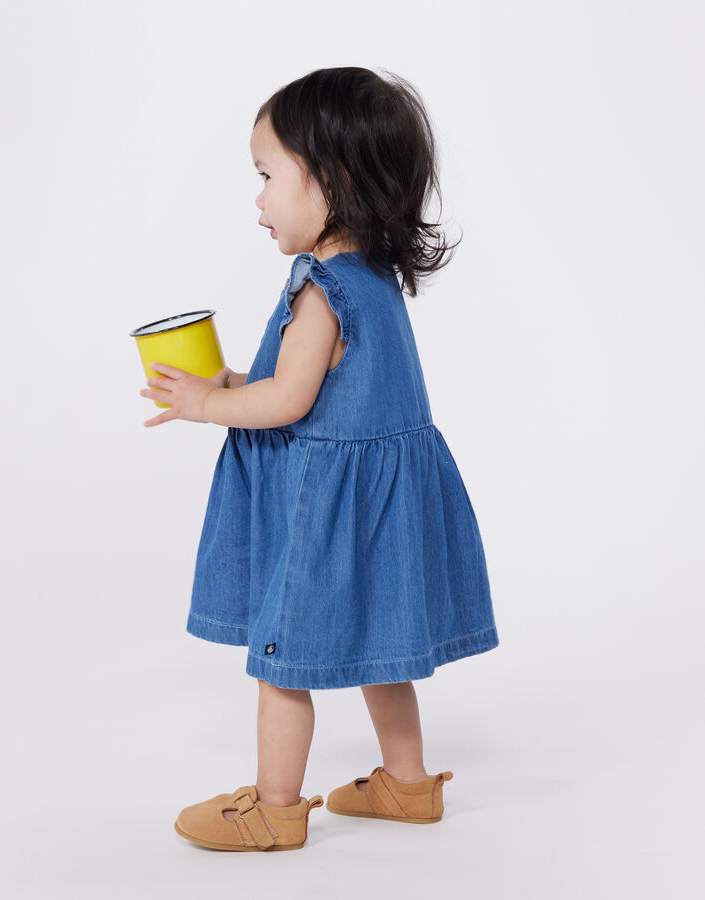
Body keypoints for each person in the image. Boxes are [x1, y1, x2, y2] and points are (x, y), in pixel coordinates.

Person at [139, 67, 500, 852]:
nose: (258, 200)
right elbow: (310, 386)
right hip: (383, 507)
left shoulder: (319, 291)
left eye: (268, 176)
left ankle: (274, 806)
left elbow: (289, 402)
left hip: (328, 512)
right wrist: (231, 380)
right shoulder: (372, 278)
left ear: (330, 181)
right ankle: (406, 786)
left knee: (282, 657)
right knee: (382, 642)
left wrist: (209, 405)